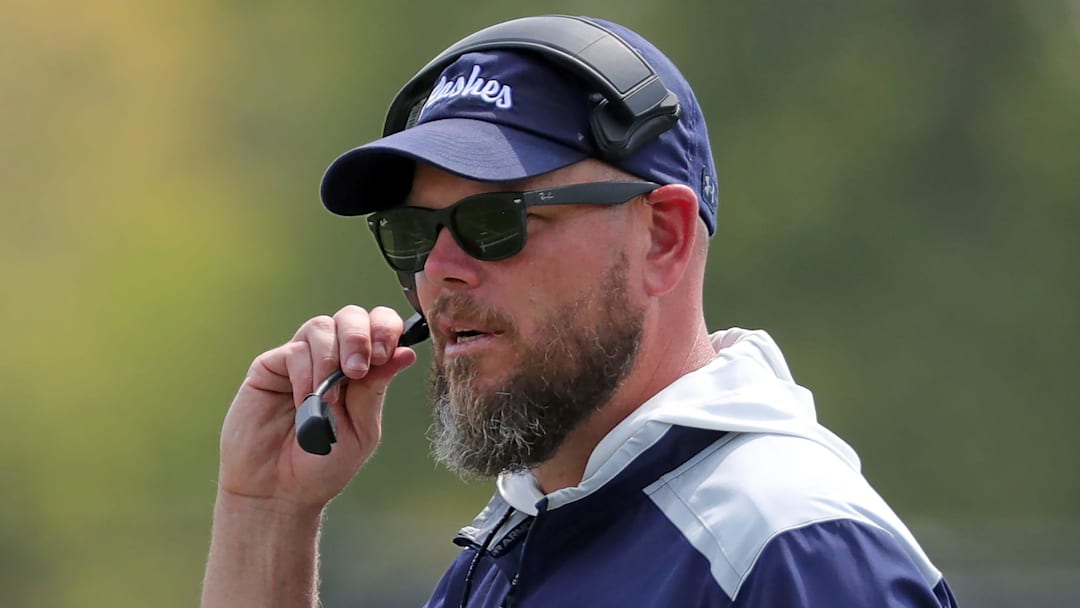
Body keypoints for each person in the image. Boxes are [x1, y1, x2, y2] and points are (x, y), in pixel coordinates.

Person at [201, 15, 958, 608]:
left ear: (661, 237)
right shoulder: (511, 549)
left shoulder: (793, 552)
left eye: (495, 221)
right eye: (412, 232)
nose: (437, 271)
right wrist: (267, 512)